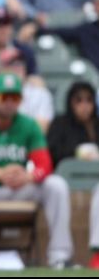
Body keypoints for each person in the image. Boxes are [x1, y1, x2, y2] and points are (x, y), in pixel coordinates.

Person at [0, 73, 73, 268]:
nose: (8, 103)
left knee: (56, 184)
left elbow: (45, 165)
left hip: (19, 187)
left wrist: (29, 176)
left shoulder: (29, 125)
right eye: (3, 97)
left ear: (20, 101)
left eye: (14, 98)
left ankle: (60, 256)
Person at [46, 81, 99, 270]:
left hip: (95, 183)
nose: (84, 106)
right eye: (79, 100)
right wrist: (78, 153)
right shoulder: (60, 123)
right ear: (70, 102)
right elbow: (51, 154)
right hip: (66, 182)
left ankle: (98, 255)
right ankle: (61, 256)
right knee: (55, 185)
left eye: (89, 100)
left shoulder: (96, 125)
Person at [0, 47, 54, 132]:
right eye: (10, 64)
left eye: (19, 63)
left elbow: (40, 130)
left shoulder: (40, 93)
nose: (17, 67)